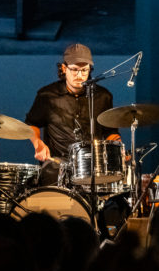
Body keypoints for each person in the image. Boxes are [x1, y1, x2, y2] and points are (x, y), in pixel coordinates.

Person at [26, 43, 116, 187]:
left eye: (84, 70)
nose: (79, 76)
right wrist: (38, 144)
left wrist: (118, 149)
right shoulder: (47, 95)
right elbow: (32, 123)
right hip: (58, 163)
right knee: (50, 176)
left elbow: (111, 132)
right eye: (74, 70)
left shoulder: (103, 97)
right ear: (63, 68)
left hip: (93, 163)